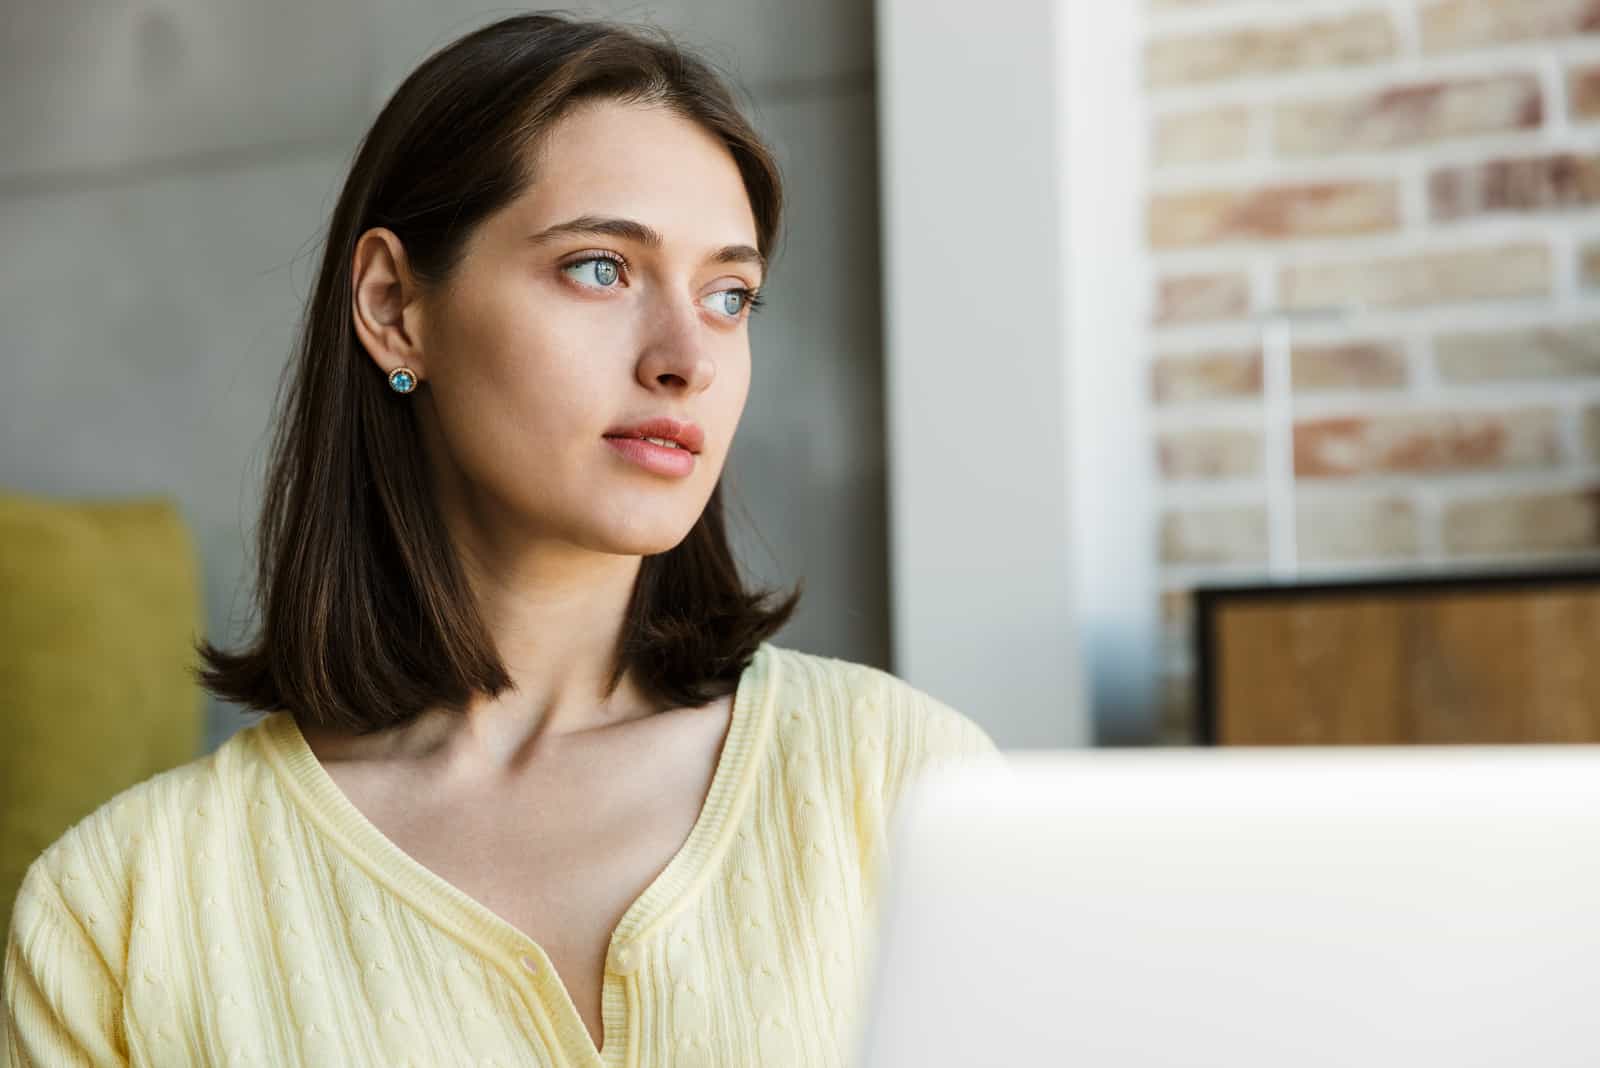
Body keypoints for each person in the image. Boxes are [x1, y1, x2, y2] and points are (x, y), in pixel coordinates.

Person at [1, 13, 1001, 1067]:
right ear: (394, 308)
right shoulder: (116, 913)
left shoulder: (903, 784)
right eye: (601, 268)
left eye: (727, 294)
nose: (686, 359)